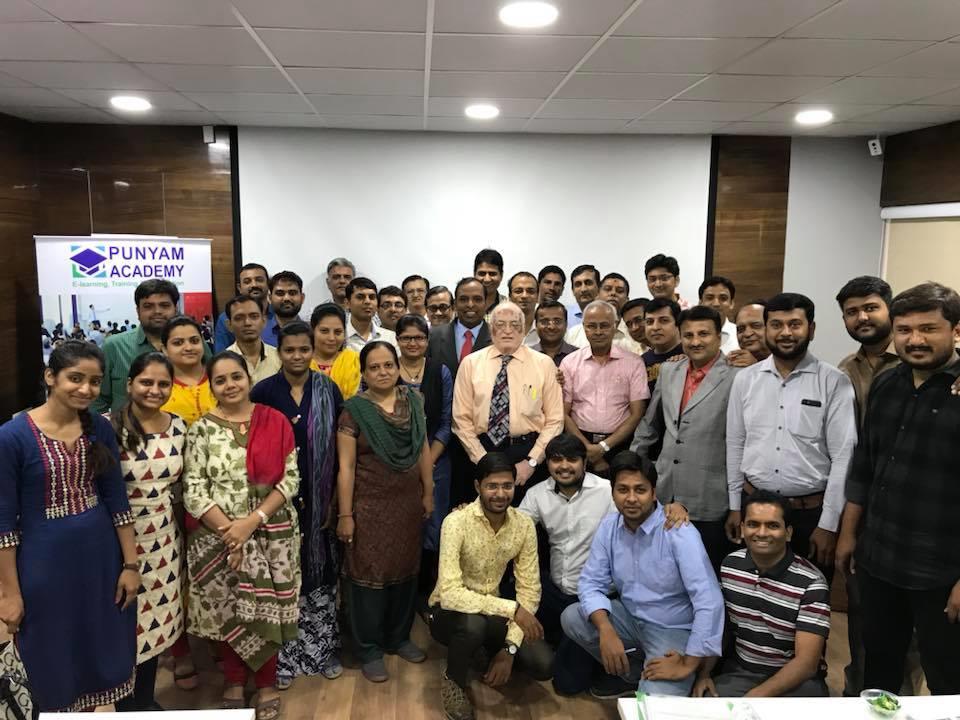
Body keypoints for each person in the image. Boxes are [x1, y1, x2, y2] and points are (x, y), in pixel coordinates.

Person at [0, 341, 138, 711]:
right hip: (43, 566)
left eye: (94, 381)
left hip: (101, 561)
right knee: (50, 652)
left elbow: (117, 500)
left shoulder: (99, 429)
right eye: (75, 378)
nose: (86, 389)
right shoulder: (12, 437)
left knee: (100, 644)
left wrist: (130, 565)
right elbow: (3, 525)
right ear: (50, 377)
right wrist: (10, 594)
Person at [837, 282, 960, 696]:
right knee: (879, 669)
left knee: (947, 678)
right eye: (905, 330)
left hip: (942, 571)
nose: (915, 340)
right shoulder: (888, 385)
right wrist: (849, 535)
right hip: (880, 560)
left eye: (928, 329)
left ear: (956, 331)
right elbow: (865, 467)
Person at [182, 351, 301, 718]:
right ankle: (233, 680)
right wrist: (231, 532)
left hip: (272, 535)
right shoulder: (201, 429)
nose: (230, 385)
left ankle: (265, 683)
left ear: (248, 378)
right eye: (220, 380)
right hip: (217, 537)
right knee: (230, 610)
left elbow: (290, 480)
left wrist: (251, 522)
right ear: (212, 387)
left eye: (236, 376)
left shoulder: (275, 420)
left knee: (268, 608)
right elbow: (194, 490)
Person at [561, 451, 724, 698]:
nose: (631, 498)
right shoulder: (609, 526)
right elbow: (591, 583)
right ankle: (633, 675)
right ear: (613, 493)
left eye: (640, 490)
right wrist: (605, 629)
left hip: (673, 629)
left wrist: (688, 664)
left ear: (654, 492)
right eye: (622, 490)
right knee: (573, 617)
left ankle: (664, 678)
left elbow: (709, 601)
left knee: (653, 706)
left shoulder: (678, 531)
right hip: (629, 618)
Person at [726, 293, 857, 580]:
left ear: (811, 329)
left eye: (795, 324)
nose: (785, 333)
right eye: (776, 325)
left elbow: (843, 457)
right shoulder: (745, 379)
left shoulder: (834, 381)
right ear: (767, 329)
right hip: (754, 508)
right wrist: (735, 506)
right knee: (752, 589)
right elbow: (735, 444)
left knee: (809, 593)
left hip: (809, 515)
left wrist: (828, 524)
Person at [251, 323, 345, 688]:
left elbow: (340, 446)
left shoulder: (327, 389)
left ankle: (323, 650)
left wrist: (336, 498)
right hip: (277, 501)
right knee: (282, 578)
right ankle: (284, 659)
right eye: (289, 350)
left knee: (321, 573)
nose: (297, 356)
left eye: (304, 349)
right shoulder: (264, 392)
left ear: (312, 351)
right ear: (279, 353)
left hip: (321, 500)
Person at [335, 342, 434, 683]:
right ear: (364, 373)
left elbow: (422, 448)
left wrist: (428, 492)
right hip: (369, 507)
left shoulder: (414, 401)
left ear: (397, 367)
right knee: (368, 577)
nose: (383, 372)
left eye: (388, 365)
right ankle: (369, 648)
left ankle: (398, 637)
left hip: (407, 505)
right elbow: (346, 467)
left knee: (406, 571)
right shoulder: (354, 411)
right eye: (374, 367)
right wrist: (345, 515)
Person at [429, 452, 554, 720]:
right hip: (448, 613)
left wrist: (510, 649)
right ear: (478, 486)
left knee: (543, 664)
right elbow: (450, 595)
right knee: (473, 625)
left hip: (493, 612)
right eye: (492, 486)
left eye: (507, 486)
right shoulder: (456, 522)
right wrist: (513, 610)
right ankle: (453, 681)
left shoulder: (523, 525)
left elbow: (530, 589)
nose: (500, 494)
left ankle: (485, 650)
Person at [633, 305, 740, 574]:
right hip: (665, 490)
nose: (695, 341)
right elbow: (650, 424)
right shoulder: (670, 370)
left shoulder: (738, 375)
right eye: (688, 335)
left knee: (705, 573)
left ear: (719, 337)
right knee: (662, 571)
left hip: (711, 496)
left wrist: (737, 504)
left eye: (704, 334)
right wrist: (633, 466)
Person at [694, 490, 830, 698]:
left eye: (773, 525)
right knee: (703, 704)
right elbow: (721, 629)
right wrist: (704, 673)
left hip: (797, 681)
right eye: (753, 524)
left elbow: (806, 663)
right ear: (742, 528)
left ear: (788, 533)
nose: (762, 533)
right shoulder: (730, 566)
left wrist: (754, 698)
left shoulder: (812, 582)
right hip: (741, 673)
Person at [110, 352, 189, 710]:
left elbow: (181, 489)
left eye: (163, 384)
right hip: (119, 541)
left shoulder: (179, 427)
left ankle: (144, 699)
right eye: (146, 382)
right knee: (123, 622)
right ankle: (121, 703)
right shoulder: (108, 428)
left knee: (157, 621)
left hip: (165, 537)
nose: (154, 390)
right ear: (130, 384)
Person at [452, 302, 564, 504]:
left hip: (526, 452)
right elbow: (461, 419)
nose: (507, 330)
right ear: (491, 328)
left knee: (527, 517)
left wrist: (531, 461)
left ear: (524, 329)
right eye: (500, 324)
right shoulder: (470, 363)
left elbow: (555, 420)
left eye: (514, 325)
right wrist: (482, 459)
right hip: (481, 450)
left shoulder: (544, 364)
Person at [394, 314, 454, 603]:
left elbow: (447, 420)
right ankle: (403, 591)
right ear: (397, 340)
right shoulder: (387, 369)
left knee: (434, 525)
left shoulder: (440, 372)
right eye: (406, 338)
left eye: (418, 338)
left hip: (436, 460)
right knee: (401, 525)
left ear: (427, 341)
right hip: (396, 462)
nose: (413, 343)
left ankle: (429, 593)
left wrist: (429, 460)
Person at [561, 301, 649, 477]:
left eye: (604, 325)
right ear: (584, 327)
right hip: (579, 444)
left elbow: (637, 413)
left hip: (621, 444)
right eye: (592, 326)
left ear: (615, 326)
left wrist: (603, 447)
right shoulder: (570, 363)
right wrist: (587, 448)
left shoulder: (634, 363)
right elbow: (563, 413)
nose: (598, 331)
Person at [94, 279, 191, 412]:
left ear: (175, 309)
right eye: (148, 306)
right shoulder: (114, 347)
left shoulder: (192, 346)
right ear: (138, 311)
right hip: (125, 425)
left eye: (164, 305)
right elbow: (98, 399)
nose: (157, 311)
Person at [836, 276, 900, 423]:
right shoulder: (846, 368)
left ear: (891, 311)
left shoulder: (914, 360)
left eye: (870, 308)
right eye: (852, 312)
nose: (862, 317)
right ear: (844, 319)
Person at [427, 277, 491, 380]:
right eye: (463, 299)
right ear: (455, 304)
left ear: (486, 303)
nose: (470, 305)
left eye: (477, 299)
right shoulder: (433, 336)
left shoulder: (498, 338)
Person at [567, 275, 644, 354]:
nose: (613, 293)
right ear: (597, 296)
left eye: (619, 291)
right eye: (607, 289)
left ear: (627, 300)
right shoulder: (574, 334)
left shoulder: (635, 332)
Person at [161, 315, 216, 426]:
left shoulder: (220, 378)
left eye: (194, 341)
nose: (188, 348)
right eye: (178, 343)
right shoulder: (159, 388)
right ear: (165, 349)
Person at [225, 294, 281, 386]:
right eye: (239, 318)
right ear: (229, 325)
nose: (247, 323)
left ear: (264, 321)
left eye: (254, 317)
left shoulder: (279, 358)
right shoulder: (222, 363)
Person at [214, 263, 272, 352]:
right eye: (247, 282)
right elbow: (221, 354)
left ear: (268, 284)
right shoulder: (225, 318)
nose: (254, 285)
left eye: (259, 280)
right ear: (239, 288)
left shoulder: (279, 314)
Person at [309, 303, 361, 400]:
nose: (331, 338)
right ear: (312, 331)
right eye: (324, 331)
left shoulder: (356, 362)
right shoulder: (301, 362)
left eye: (338, 332)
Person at [641, 297, 684, 393]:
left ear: (678, 324)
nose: (655, 327)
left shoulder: (690, 356)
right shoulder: (641, 362)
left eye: (664, 321)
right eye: (649, 322)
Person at [345, 277, 397, 352]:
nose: (367, 301)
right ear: (347, 303)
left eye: (372, 297)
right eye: (360, 297)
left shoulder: (390, 337)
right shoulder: (339, 338)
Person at [699, 276, 739, 355]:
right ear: (700, 303)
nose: (716, 304)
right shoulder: (689, 334)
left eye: (723, 298)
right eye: (710, 298)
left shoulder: (739, 334)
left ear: (731, 303)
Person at [532, 300, 577, 367]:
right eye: (545, 321)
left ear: (566, 324)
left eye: (557, 321)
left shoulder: (579, 356)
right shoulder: (525, 356)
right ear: (536, 325)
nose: (551, 327)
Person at [268, 270, 306, 343]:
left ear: (302, 298)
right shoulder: (258, 332)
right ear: (270, 298)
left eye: (292, 293)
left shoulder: (313, 334)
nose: (286, 298)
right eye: (280, 293)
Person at [728, 300, 770, 368]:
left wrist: (755, 367)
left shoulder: (787, 361)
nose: (747, 334)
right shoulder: (731, 364)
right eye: (741, 329)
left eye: (756, 326)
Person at [507, 271, 540, 347]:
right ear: (510, 296)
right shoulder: (498, 330)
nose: (524, 296)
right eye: (518, 291)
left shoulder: (548, 330)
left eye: (530, 291)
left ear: (538, 296)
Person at [568, 264, 600, 328]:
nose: (583, 289)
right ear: (572, 290)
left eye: (588, 283)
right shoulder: (564, 315)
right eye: (578, 284)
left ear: (599, 287)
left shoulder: (610, 314)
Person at [474, 248, 505, 316]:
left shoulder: (510, 307)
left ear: (501, 275)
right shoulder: (460, 306)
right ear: (474, 274)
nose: (487, 279)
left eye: (492, 274)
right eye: (482, 273)